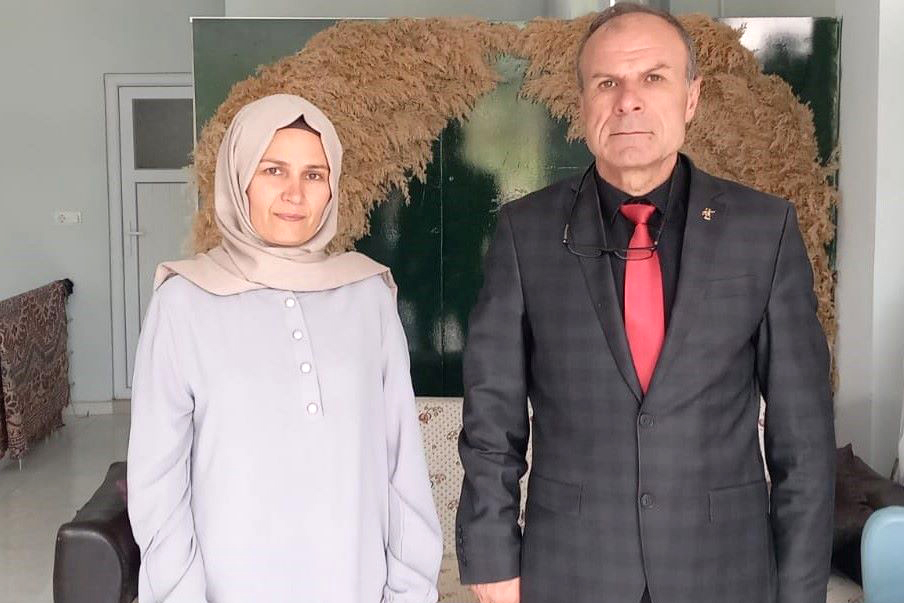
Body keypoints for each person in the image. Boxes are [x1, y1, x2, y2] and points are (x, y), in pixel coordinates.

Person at [455, 4, 835, 603]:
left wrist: (802, 589)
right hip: (572, 569)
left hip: (724, 571)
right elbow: (491, 419)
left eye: (653, 78)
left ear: (691, 97)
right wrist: (491, 559)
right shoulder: (525, 233)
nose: (627, 101)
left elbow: (802, 440)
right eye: (607, 83)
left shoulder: (764, 230)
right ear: (582, 104)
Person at [127, 94, 442, 603]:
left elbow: (401, 462)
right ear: (240, 179)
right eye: (273, 170)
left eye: (314, 175)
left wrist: (410, 589)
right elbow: (156, 480)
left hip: (354, 584)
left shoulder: (367, 295)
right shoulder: (184, 300)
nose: (295, 193)